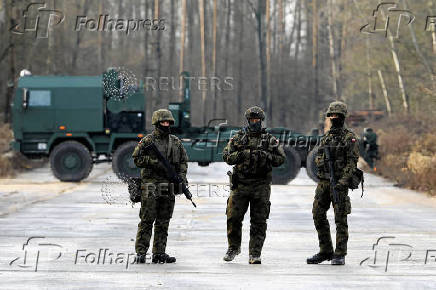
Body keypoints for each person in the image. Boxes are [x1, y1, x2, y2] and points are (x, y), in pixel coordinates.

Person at [222, 106, 286, 264]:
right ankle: (233, 248)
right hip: (241, 184)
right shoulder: (238, 138)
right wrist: (243, 154)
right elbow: (227, 156)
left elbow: (281, 159)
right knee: (233, 217)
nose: (254, 123)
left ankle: (255, 253)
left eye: (257, 120)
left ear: (261, 121)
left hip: (261, 185)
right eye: (252, 120)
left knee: (259, 221)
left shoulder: (269, 139)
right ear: (248, 121)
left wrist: (266, 155)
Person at [132, 109, 188, 264]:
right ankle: (141, 252)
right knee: (147, 219)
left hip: (168, 186)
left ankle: (159, 253)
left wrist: (182, 179)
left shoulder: (175, 142)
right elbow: (136, 158)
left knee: (164, 221)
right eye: (163, 122)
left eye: (168, 122)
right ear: (157, 123)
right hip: (151, 185)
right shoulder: (148, 141)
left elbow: (183, 162)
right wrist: (154, 163)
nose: (166, 124)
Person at [307, 101, 359, 266]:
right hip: (323, 183)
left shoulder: (348, 137)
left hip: (339, 183)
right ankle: (326, 251)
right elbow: (317, 158)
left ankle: (340, 253)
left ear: (342, 117)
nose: (334, 118)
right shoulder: (326, 137)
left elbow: (352, 163)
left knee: (340, 219)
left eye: (337, 115)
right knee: (318, 214)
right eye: (332, 115)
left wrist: (342, 182)